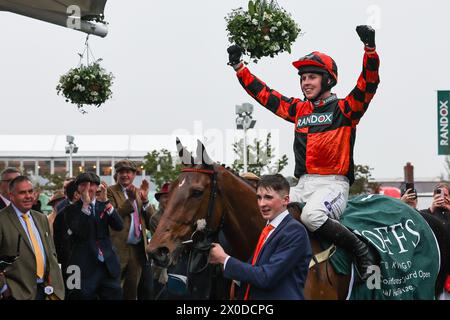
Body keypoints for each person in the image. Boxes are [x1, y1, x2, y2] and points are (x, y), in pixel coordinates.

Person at [227, 25, 380, 281]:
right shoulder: (299, 110)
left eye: (312, 77)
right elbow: (265, 95)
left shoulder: (346, 109)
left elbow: (369, 82)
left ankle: (359, 249)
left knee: (311, 216)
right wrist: (239, 68)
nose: (305, 82)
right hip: (302, 185)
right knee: (268, 209)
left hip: (333, 185)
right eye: (303, 77)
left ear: (328, 80)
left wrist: (370, 50)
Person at [209, 174, 311, 300]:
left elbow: (266, 277)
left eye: (268, 197)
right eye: (259, 197)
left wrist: (224, 259)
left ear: (285, 200)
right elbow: (254, 271)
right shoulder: (268, 229)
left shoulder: (295, 231)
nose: (262, 204)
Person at [0, 176, 64, 300]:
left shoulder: (41, 218)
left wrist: (56, 285)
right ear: (11, 195)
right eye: (22, 192)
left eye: (30, 191)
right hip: (17, 294)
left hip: (48, 292)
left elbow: (51, 254)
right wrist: (4, 288)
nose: (28, 196)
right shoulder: (2, 220)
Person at [63, 172, 123, 300]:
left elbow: (119, 226)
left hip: (107, 265)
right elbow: (77, 231)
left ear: (97, 188)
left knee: (115, 294)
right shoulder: (70, 210)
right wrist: (85, 206)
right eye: (84, 185)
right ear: (78, 188)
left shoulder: (104, 205)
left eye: (92, 185)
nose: (88, 188)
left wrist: (107, 202)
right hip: (83, 268)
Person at [107, 159, 153, 300]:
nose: (125, 175)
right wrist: (131, 201)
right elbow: (114, 217)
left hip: (137, 249)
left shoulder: (140, 192)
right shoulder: (110, 191)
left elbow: (152, 222)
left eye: (128, 172)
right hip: (118, 248)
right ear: (117, 174)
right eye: (121, 172)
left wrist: (145, 201)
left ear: (134, 175)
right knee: (113, 289)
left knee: (132, 292)